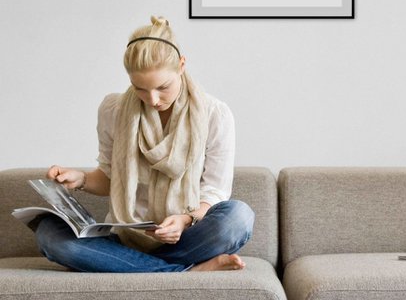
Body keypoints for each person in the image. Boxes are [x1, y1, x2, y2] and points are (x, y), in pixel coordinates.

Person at [34, 16, 255, 273]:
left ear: (182, 65)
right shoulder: (113, 110)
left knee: (238, 218)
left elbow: (215, 191)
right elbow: (110, 178)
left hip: (186, 237)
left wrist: (184, 220)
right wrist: (80, 178)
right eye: (139, 88)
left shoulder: (214, 114)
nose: (152, 99)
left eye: (163, 87)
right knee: (48, 234)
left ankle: (131, 267)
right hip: (124, 238)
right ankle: (184, 272)